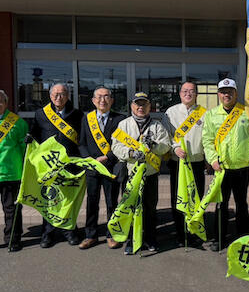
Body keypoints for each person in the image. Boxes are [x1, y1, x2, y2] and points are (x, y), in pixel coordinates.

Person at [202, 78, 249, 251]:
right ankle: (219, 238)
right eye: (223, 92)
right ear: (218, 94)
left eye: (229, 92)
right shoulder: (212, 115)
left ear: (236, 93)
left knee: (241, 202)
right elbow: (207, 140)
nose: (226, 95)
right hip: (221, 168)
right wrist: (213, 159)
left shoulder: (246, 112)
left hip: (241, 167)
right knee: (221, 204)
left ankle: (243, 238)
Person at [111, 92, 170, 254]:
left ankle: (151, 239)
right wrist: (130, 153)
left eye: (144, 104)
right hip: (131, 174)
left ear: (149, 106)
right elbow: (115, 146)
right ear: (132, 106)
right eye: (137, 104)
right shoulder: (124, 124)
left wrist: (154, 146)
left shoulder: (157, 125)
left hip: (150, 174)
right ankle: (132, 240)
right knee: (130, 207)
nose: (140, 107)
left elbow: (166, 145)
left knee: (150, 208)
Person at [31, 83, 84, 248]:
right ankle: (48, 233)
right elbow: (35, 134)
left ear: (67, 96)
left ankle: (70, 230)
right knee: (49, 198)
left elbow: (82, 137)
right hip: (49, 164)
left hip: (70, 163)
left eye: (62, 94)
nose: (58, 97)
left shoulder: (77, 114)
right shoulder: (41, 114)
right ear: (49, 95)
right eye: (55, 94)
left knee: (68, 199)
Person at [78, 87, 125, 250]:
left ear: (112, 100)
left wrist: (108, 157)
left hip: (111, 167)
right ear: (93, 100)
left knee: (112, 202)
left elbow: (122, 143)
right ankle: (90, 235)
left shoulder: (120, 119)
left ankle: (112, 234)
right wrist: (88, 159)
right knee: (92, 202)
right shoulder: (86, 118)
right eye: (99, 97)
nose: (102, 100)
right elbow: (82, 143)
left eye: (106, 96)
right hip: (92, 168)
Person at [165, 81, 206, 247]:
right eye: (185, 91)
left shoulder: (203, 113)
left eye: (192, 91)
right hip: (178, 163)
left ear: (196, 94)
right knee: (178, 198)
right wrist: (175, 148)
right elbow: (166, 135)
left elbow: (208, 138)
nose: (188, 93)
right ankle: (180, 234)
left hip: (197, 163)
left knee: (197, 198)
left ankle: (194, 231)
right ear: (180, 93)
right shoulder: (171, 112)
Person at [0, 90, 28, 252]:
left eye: (1, 101)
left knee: (11, 209)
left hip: (11, 173)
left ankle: (13, 239)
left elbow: (25, 149)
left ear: (6, 103)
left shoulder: (17, 123)